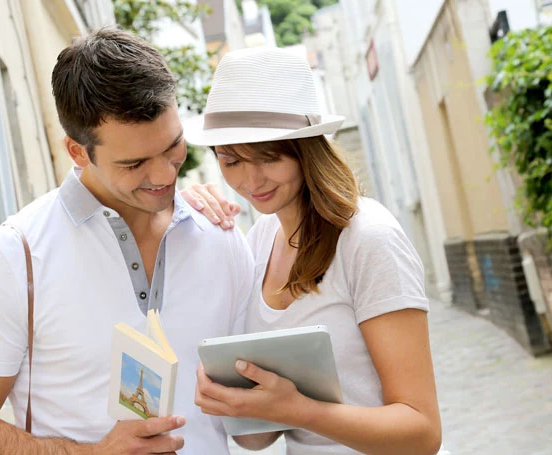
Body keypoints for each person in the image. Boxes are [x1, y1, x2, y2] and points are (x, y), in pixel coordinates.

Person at [0, 28, 254, 455]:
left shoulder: (223, 237)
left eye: (173, 147)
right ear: (77, 152)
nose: (164, 176)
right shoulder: (14, 255)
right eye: (134, 163)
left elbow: (255, 432)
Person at [182, 47, 444, 455]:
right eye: (231, 161)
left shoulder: (368, 239)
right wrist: (234, 400)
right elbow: (259, 436)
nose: (251, 180)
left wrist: (300, 410)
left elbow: (422, 431)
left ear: (306, 149)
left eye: (268, 156)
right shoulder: (259, 239)